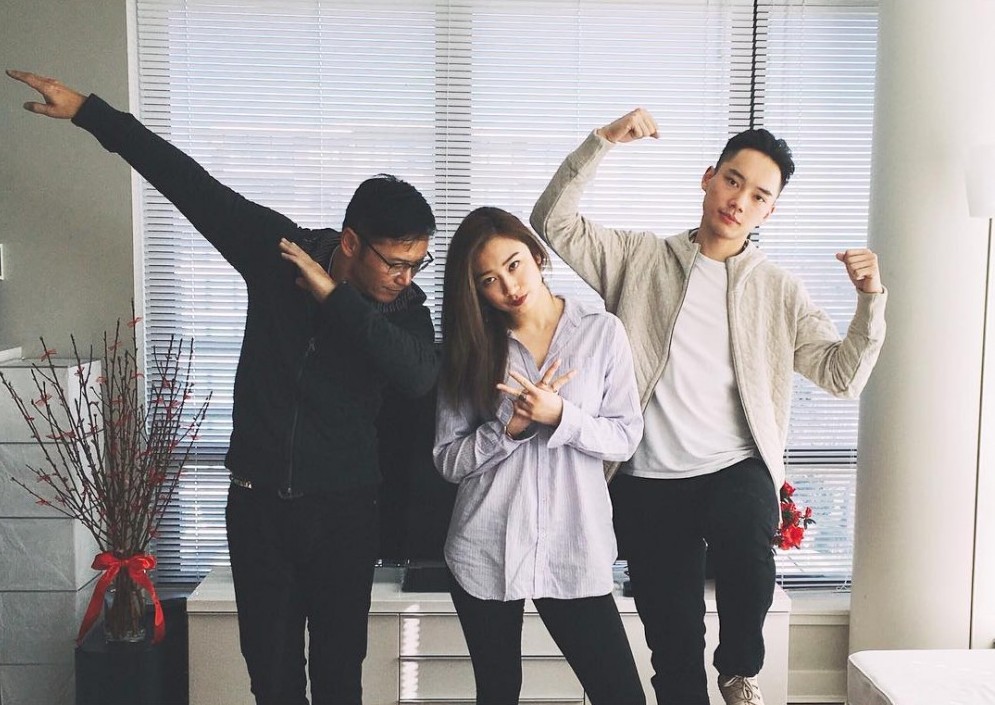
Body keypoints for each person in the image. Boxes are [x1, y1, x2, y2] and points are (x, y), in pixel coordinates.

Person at [8, 68, 438, 705]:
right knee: (272, 681)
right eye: (396, 262)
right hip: (258, 509)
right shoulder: (279, 253)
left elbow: (418, 377)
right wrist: (90, 113)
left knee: (339, 680)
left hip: (346, 513)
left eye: (417, 263)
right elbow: (193, 186)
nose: (407, 276)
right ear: (351, 242)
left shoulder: (404, 312)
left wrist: (334, 298)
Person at [530, 108, 887, 705]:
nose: (739, 201)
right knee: (673, 652)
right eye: (732, 181)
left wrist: (870, 300)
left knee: (749, 543)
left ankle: (739, 670)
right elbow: (552, 221)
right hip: (648, 480)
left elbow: (842, 375)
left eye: (758, 196)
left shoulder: (778, 290)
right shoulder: (638, 259)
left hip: (733, 465)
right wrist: (604, 141)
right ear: (708, 178)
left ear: (770, 211)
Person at [433, 206, 647, 705]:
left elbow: (625, 437)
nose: (509, 286)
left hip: (574, 547)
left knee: (620, 696)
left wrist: (561, 416)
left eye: (514, 264)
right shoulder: (471, 347)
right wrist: (509, 428)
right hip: (485, 547)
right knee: (498, 693)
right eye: (489, 279)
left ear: (536, 254)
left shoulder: (601, 333)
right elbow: (447, 459)